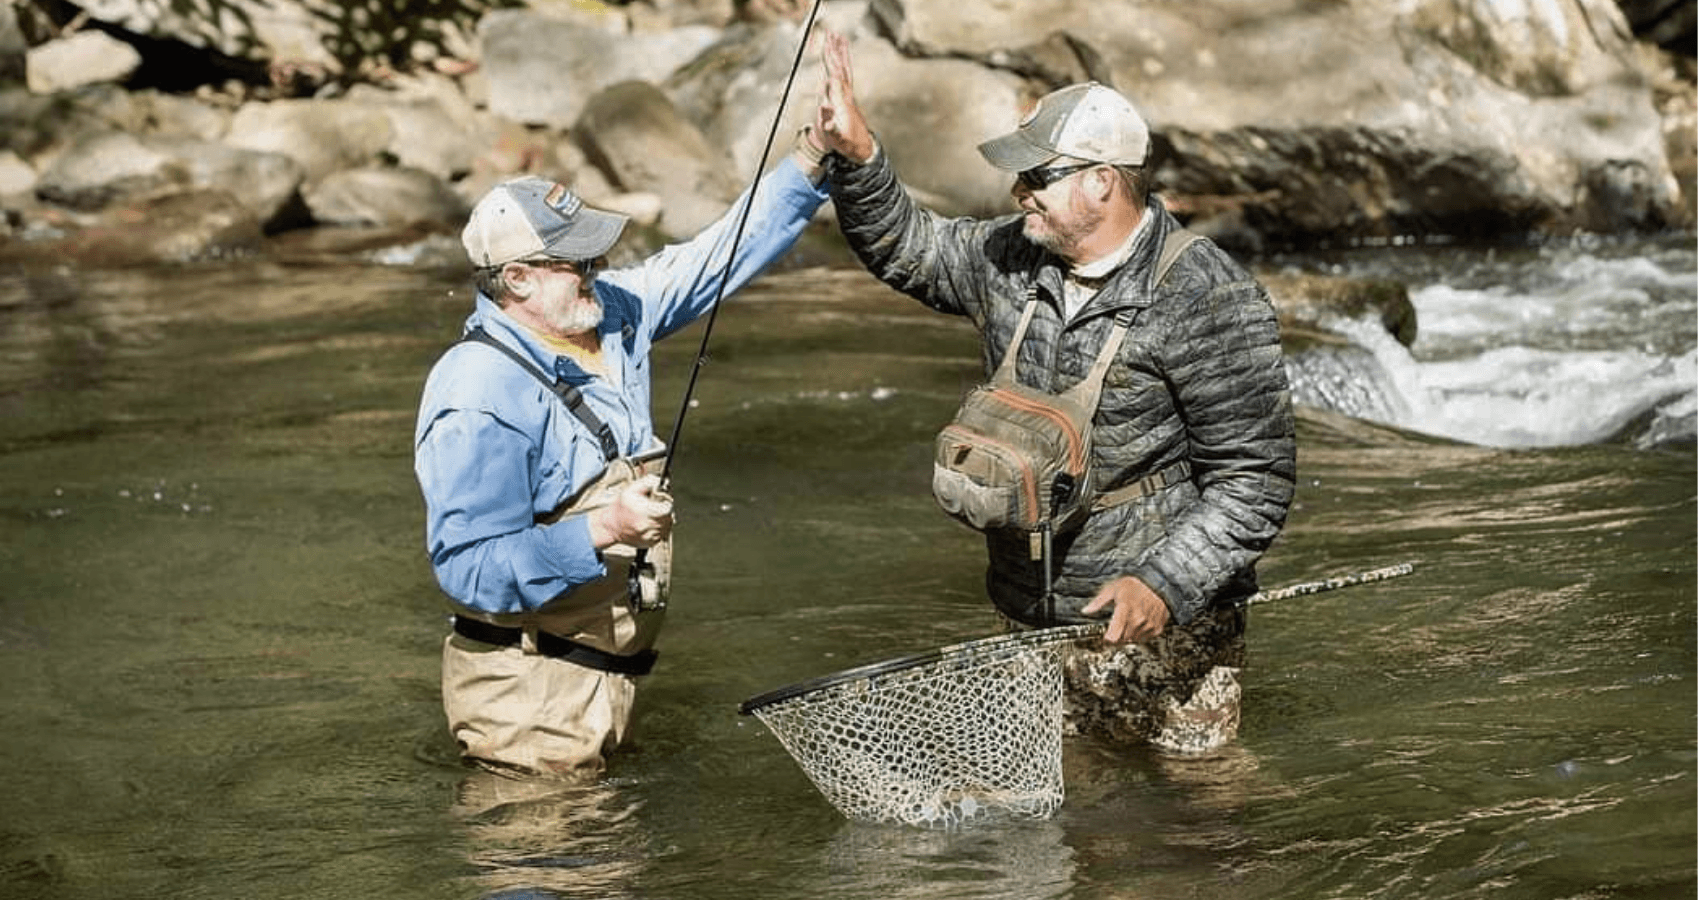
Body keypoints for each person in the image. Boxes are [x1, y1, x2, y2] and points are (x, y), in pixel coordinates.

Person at [805, 32, 1296, 755]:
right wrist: (858, 158)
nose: (1017, 192)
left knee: (1196, 826)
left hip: (1168, 619)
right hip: (1028, 609)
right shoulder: (1010, 255)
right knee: (1074, 812)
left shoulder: (1207, 298)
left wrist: (1161, 584)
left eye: (1037, 175)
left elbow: (1254, 481)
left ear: (1102, 180)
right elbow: (910, 248)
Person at [414, 138, 831, 779]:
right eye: (576, 259)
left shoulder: (609, 316)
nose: (598, 267)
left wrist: (811, 162)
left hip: (608, 685)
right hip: (526, 704)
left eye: (597, 252)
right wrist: (605, 529)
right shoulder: (477, 396)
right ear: (517, 278)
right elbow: (470, 570)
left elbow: (714, 258)